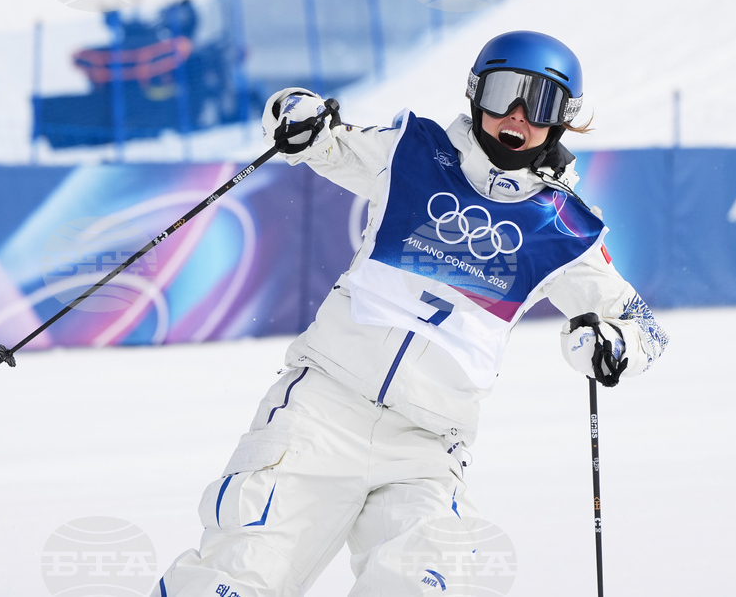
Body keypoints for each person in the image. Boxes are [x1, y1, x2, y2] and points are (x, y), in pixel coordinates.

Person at [155, 30, 668, 597]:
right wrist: (294, 113)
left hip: (424, 449)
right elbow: (321, 139)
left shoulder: (563, 228)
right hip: (321, 413)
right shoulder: (412, 152)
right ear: (476, 94)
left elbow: (643, 325)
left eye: (540, 103)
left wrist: (615, 343)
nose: (517, 115)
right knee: (234, 575)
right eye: (504, 94)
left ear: (562, 119)